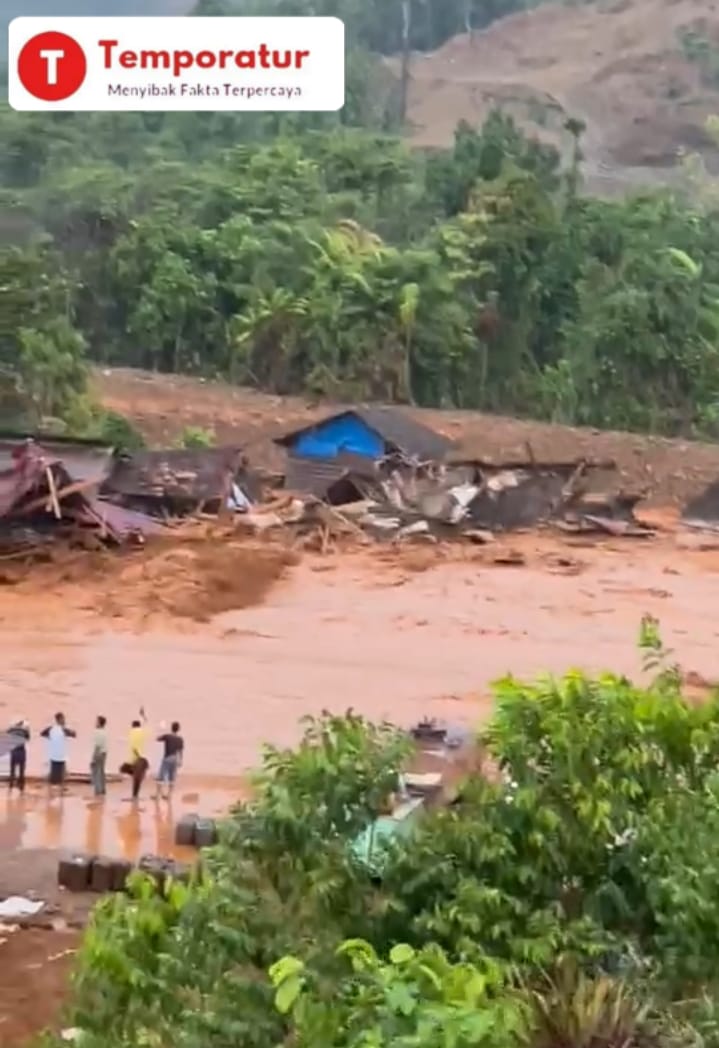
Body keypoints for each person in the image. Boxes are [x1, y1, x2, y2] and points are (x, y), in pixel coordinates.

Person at [41, 712, 76, 795]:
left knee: (54, 772)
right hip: (61, 755)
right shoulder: (63, 730)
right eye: (63, 719)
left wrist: (49, 738)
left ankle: (52, 788)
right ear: (59, 719)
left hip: (53, 755)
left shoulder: (51, 728)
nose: (64, 720)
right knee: (62, 772)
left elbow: (42, 733)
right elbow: (74, 734)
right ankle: (61, 788)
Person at [123, 708, 148, 802]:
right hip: (142, 759)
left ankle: (135, 797)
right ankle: (135, 796)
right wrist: (142, 714)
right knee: (137, 779)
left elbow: (133, 747)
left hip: (136, 759)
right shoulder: (141, 732)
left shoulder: (132, 732)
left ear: (132, 726)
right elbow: (145, 722)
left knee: (126, 770)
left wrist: (137, 756)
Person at [156, 722, 184, 799]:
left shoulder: (167, 736)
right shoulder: (180, 739)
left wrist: (161, 730)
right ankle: (169, 795)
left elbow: (157, 739)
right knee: (172, 778)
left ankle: (159, 795)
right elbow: (180, 751)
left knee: (160, 777)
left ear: (171, 728)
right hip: (175, 758)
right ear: (178, 729)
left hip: (167, 757)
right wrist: (181, 761)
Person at [7, 718, 30, 792]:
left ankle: (11, 785)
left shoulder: (11, 730)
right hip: (21, 751)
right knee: (21, 770)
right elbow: (28, 739)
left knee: (12, 770)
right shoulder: (24, 731)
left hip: (14, 752)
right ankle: (21, 787)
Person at [90, 715, 108, 798]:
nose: (95, 723)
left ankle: (98, 790)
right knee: (101, 771)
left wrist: (93, 758)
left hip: (99, 753)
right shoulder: (104, 732)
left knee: (96, 771)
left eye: (96, 721)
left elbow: (97, 746)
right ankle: (103, 789)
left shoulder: (97, 732)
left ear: (100, 723)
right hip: (104, 753)